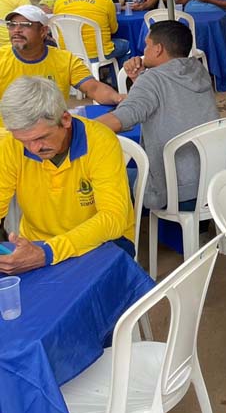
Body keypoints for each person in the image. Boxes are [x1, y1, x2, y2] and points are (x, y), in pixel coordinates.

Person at [0, 76, 135, 273]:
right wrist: (42, 251)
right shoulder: (11, 145)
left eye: (41, 137)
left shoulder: (100, 142)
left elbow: (113, 219)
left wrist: (48, 252)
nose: (34, 148)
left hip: (100, 242)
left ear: (65, 119)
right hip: (37, 242)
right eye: (24, 141)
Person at [96, 20, 219, 213]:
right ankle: (198, 231)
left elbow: (123, 117)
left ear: (158, 49)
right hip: (213, 179)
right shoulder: (198, 69)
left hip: (176, 190)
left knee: (104, 176)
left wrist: (78, 127)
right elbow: (170, 99)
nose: (144, 50)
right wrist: (139, 78)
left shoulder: (153, 80)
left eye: (147, 45)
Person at [0, 6, 122, 124]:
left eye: (25, 25)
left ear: (43, 31)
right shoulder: (2, 58)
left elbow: (93, 88)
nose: (16, 30)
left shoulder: (65, 59)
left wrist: (119, 98)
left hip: (52, 131)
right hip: (6, 133)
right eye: (12, 25)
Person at [54, 0, 129, 62]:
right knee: (125, 45)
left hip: (69, 53)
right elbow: (113, 30)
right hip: (99, 53)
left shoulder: (59, 3)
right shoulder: (105, 1)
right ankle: (118, 76)